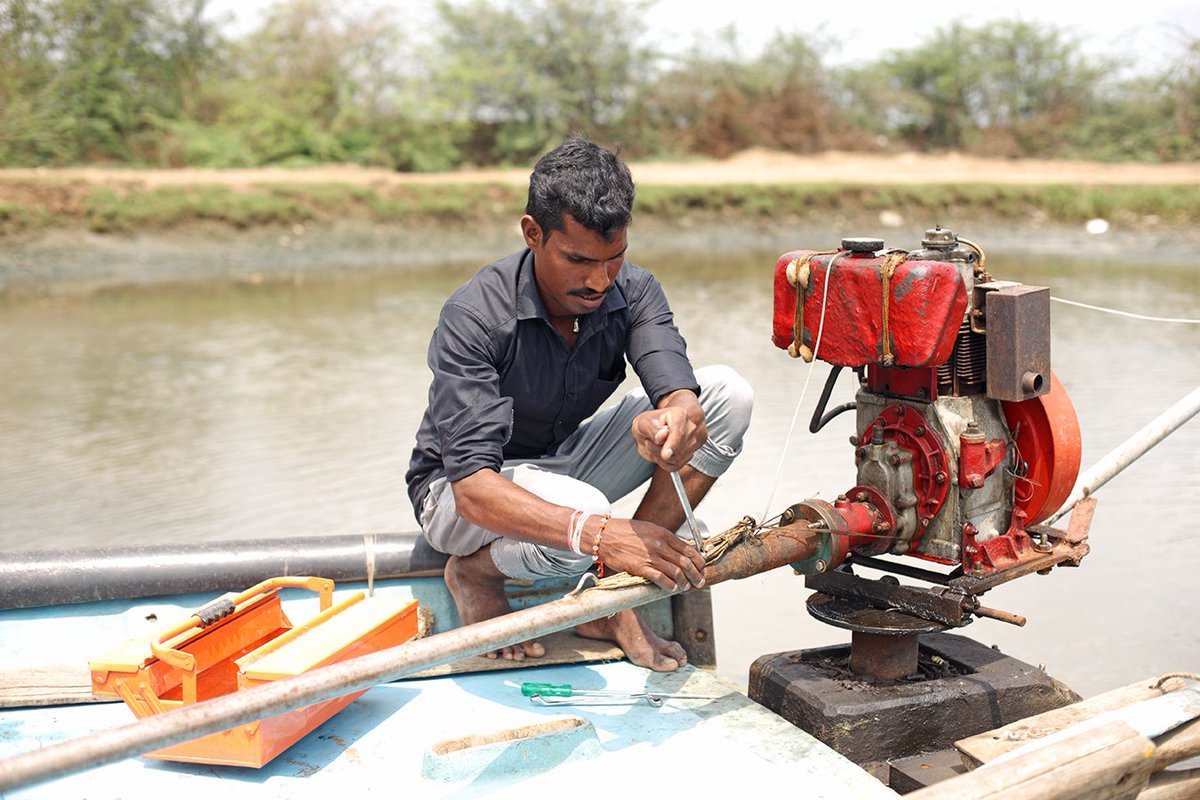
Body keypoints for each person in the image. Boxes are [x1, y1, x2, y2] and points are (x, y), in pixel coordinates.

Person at [405, 135, 752, 672]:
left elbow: (676, 382)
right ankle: (475, 571)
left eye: (615, 259)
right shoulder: (474, 317)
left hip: (561, 462)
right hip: (459, 493)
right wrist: (599, 533)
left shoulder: (633, 291)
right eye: (578, 260)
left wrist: (675, 417)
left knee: (729, 393)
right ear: (532, 233)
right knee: (586, 509)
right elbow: (472, 489)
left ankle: (609, 590)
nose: (598, 281)